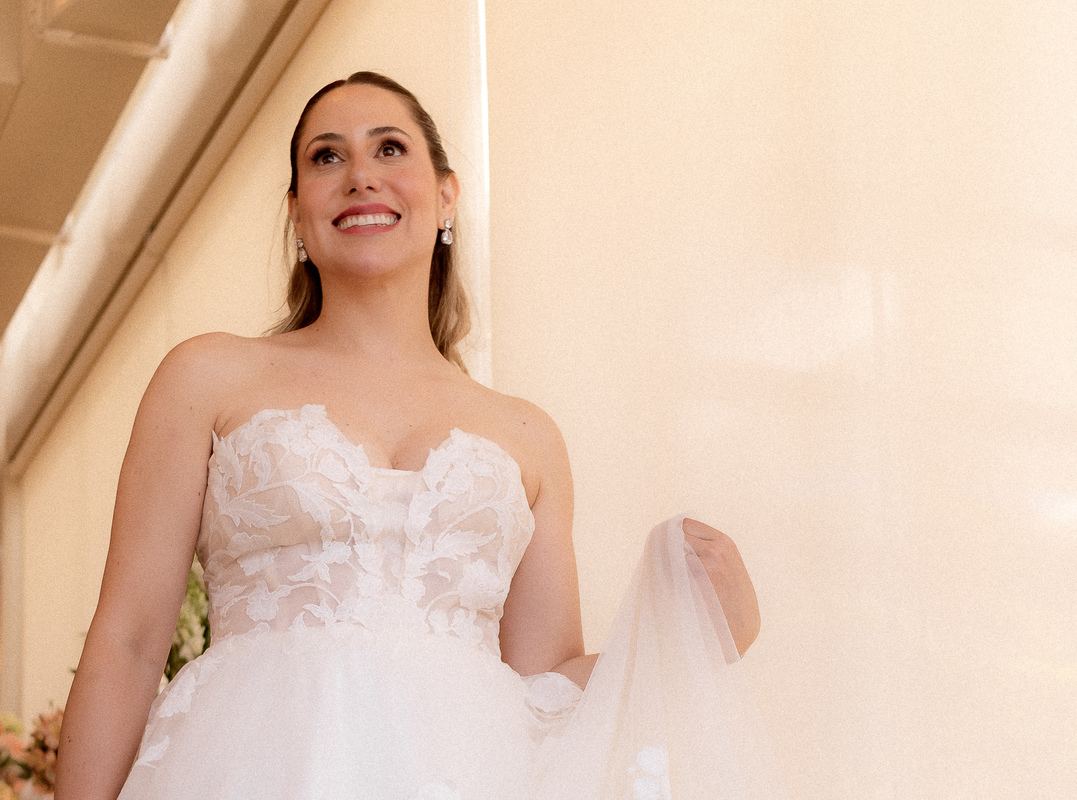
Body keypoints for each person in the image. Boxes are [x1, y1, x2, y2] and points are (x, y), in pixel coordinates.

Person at [56, 72, 787, 799]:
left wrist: (696, 637)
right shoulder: (207, 377)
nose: (360, 176)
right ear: (297, 213)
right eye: (327, 156)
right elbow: (129, 642)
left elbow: (544, 684)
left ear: (445, 196)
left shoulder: (527, 436)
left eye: (390, 148)